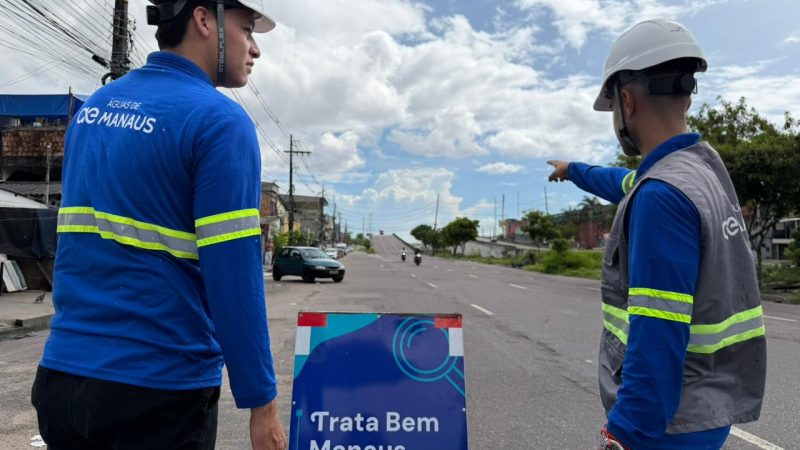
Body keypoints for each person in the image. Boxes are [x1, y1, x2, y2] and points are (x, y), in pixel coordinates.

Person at [31, 1, 287, 449]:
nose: (256, 49)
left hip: (61, 379)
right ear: (204, 20)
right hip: (158, 392)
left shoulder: (92, 112)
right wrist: (261, 405)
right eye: (247, 29)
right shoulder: (221, 123)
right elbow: (234, 279)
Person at [547, 19, 766, 450]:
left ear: (626, 102)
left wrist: (625, 435)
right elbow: (623, 183)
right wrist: (574, 171)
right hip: (709, 405)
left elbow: (658, 331)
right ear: (686, 95)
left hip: (669, 425)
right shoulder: (702, 169)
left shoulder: (662, 196)